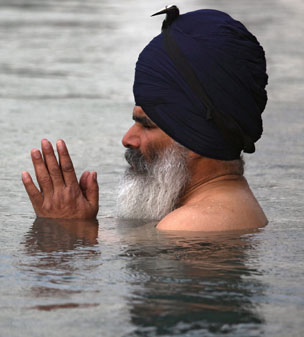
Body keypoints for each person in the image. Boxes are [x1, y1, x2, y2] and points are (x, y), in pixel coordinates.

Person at [22, 7, 268, 231]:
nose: (127, 139)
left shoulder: (188, 225)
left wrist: (61, 230)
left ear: (196, 137)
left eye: (147, 124)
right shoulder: (231, 206)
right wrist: (78, 222)